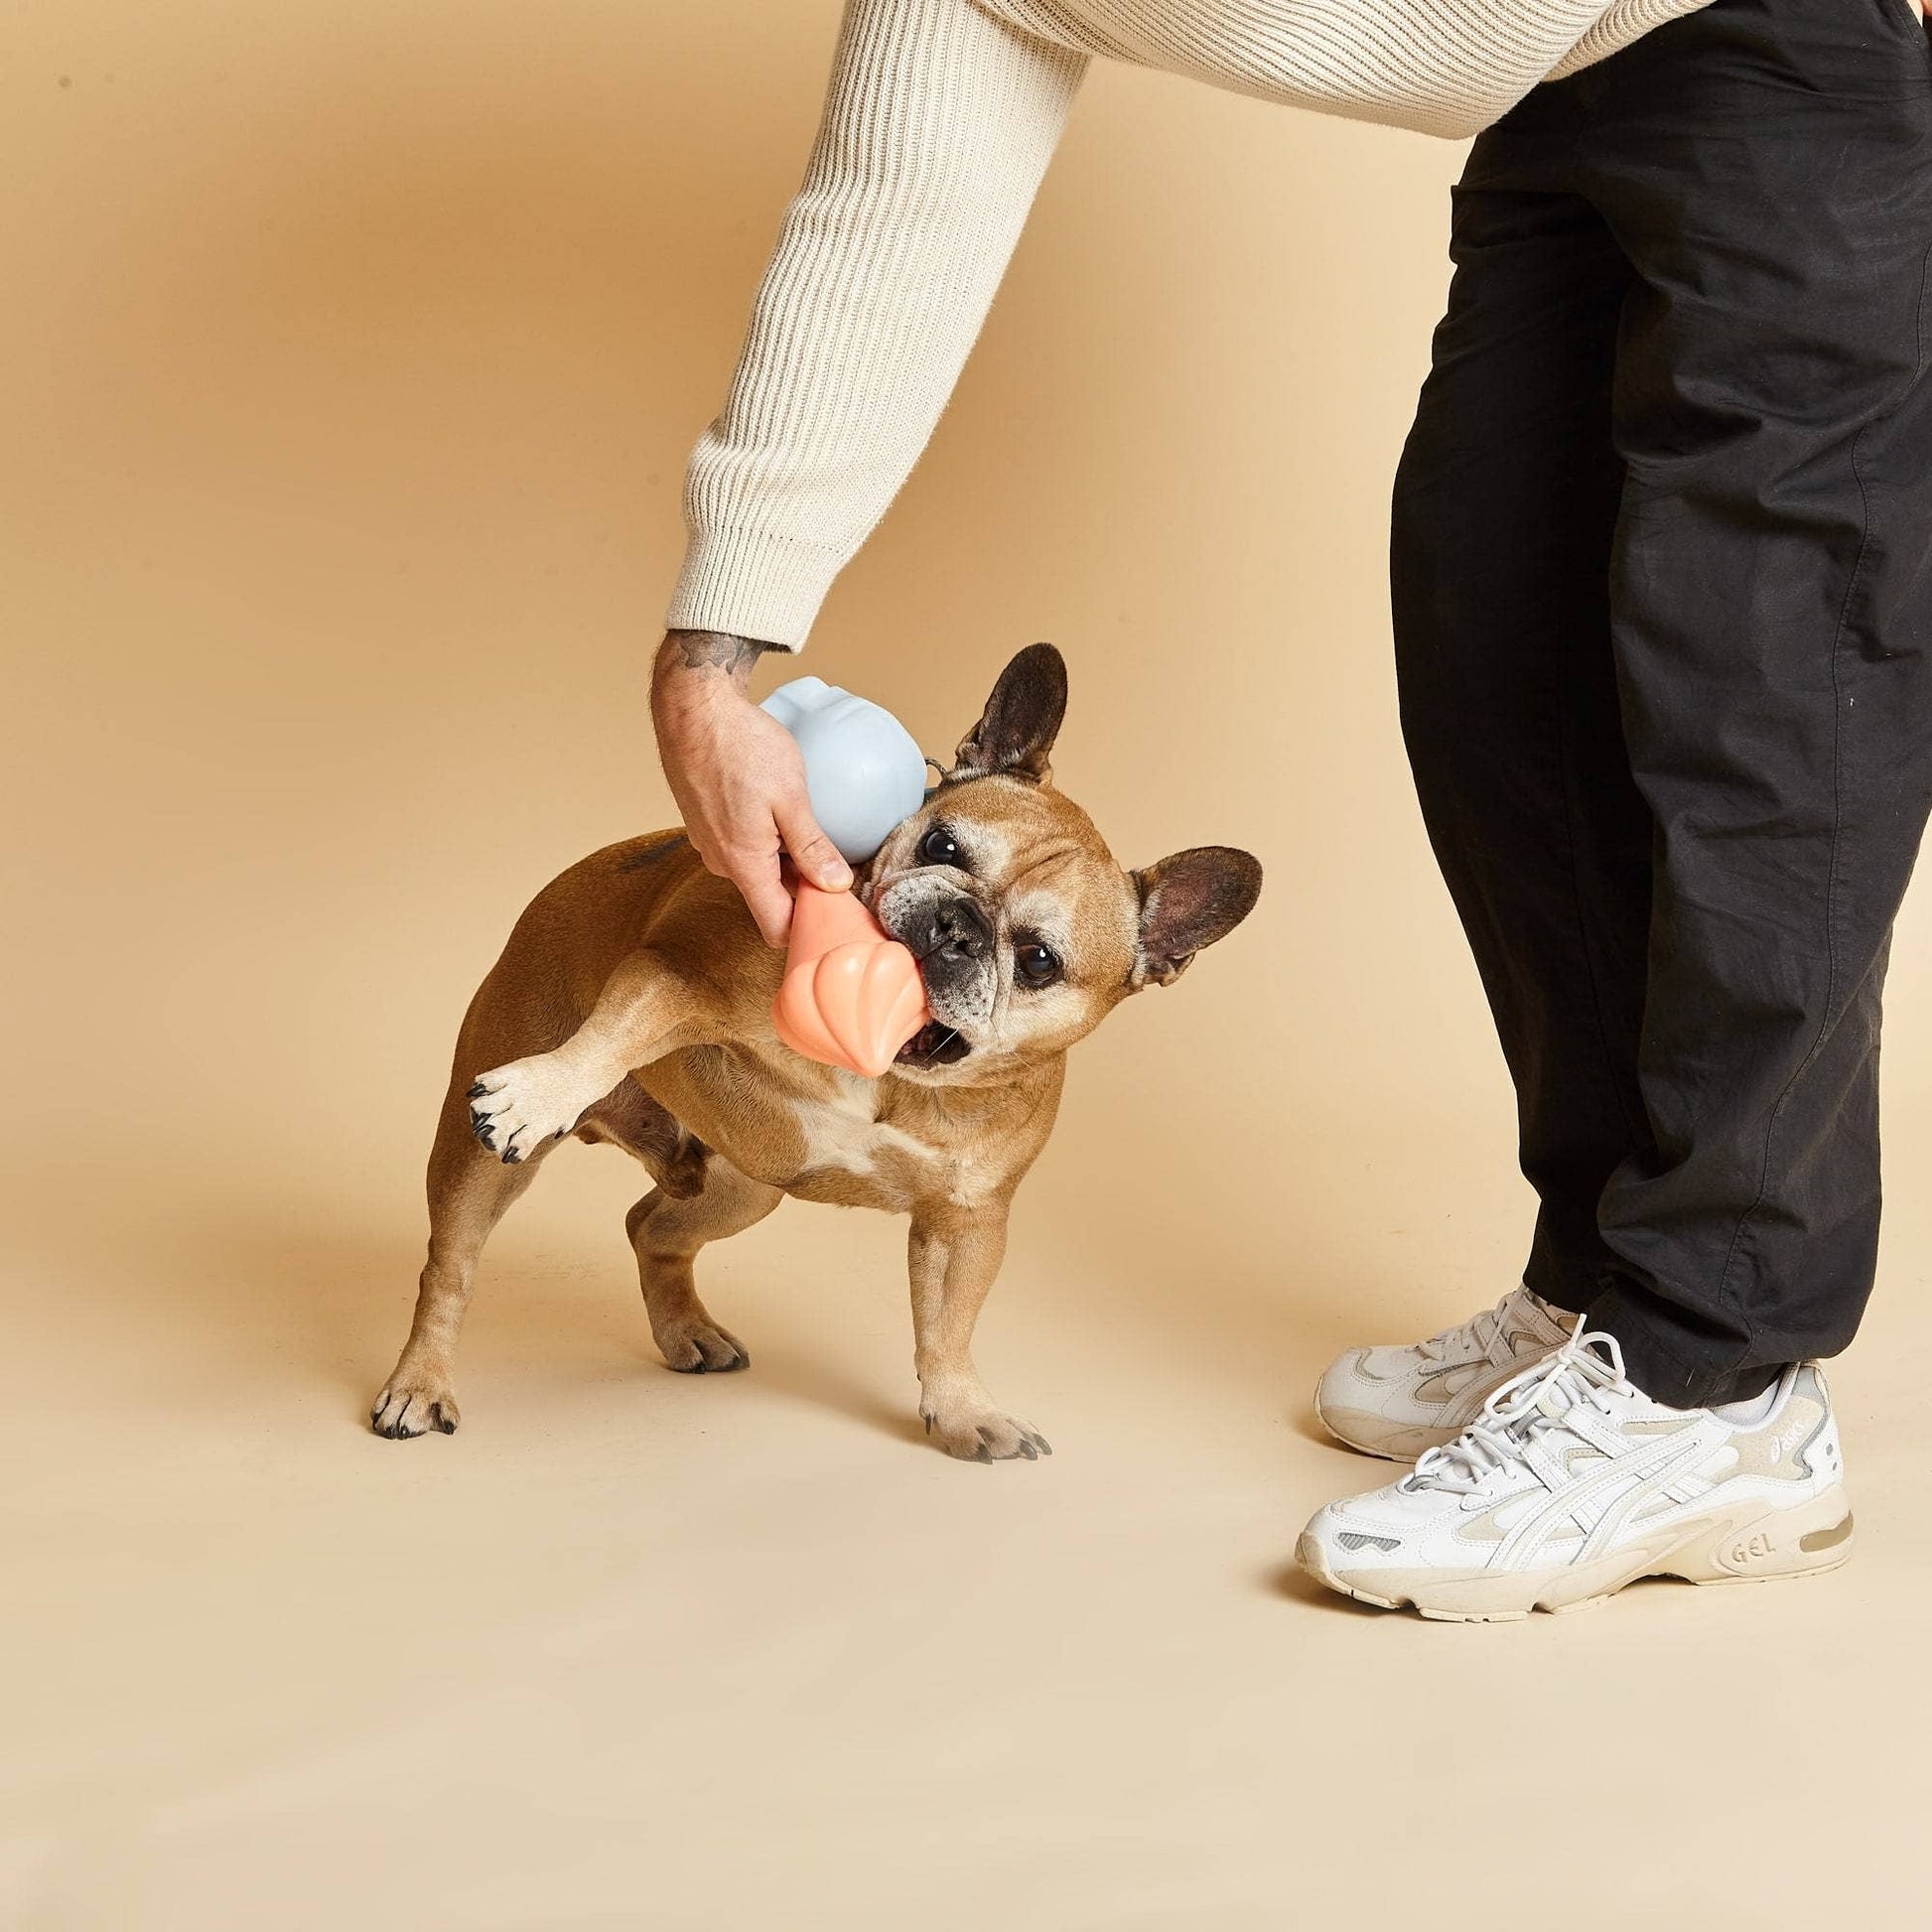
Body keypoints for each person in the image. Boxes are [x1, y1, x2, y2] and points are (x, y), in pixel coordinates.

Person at [649, 0, 1932, 1617]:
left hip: (1780, 56)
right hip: (1558, 90)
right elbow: (898, 197)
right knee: (1499, 660)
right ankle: (1613, 1272)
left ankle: (1719, 1371)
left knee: (1761, 687)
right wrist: (714, 649)